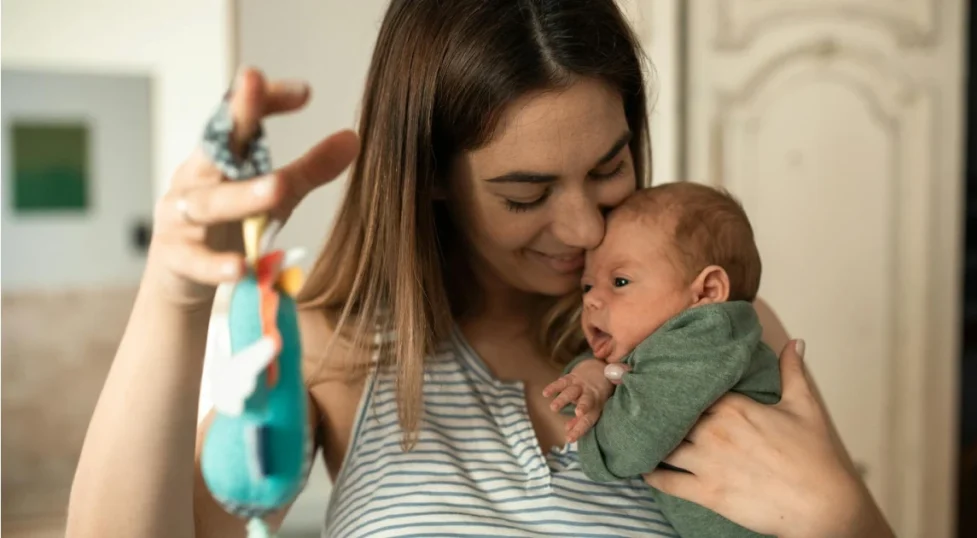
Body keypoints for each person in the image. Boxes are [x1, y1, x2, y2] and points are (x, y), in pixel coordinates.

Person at [66, 1, 895, 537]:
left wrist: (844, 515)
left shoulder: (705, 338)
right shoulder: (336, 351)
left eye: (608, 167)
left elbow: (833, 520)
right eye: (525, 191)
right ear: (428, 174)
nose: (582, 226)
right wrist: (174, 294)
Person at [543, 182, 782, 537]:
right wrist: (592, 374)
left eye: (620, 281)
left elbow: (628, 448)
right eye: (587, 286)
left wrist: (593, 444)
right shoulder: (673, 349)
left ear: (707, 292)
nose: (592, 300)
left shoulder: (706, 337)